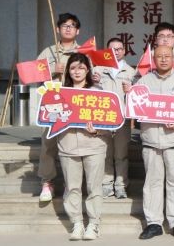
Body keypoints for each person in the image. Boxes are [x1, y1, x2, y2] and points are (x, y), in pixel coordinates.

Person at [137, 46, 174, 241]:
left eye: (167, 56)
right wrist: (130, 95)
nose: (163, 59)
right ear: (153, 59)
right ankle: (153, 223)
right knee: (152, 183)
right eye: (159, 56)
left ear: (173, 58)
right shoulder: (143, 82)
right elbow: (135, 109)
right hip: (151, 140)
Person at [58, 52, 109, 241]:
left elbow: (110, 121)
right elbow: (49, 117)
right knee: (72, 187)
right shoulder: (60, 93)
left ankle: (93, 224)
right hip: (67, 145)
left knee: (94, 187)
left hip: (94, 145)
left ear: (88, 70)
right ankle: (77, 223)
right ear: (68, 71)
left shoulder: (98, 91)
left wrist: (97, 130)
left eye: (81, 67)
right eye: (73, 68)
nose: (77, 71)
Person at [36, 12, 83, 203]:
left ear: (78, 31)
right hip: (53, 106)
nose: (68, 28)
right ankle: (47, 182)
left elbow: (91, 75)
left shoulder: (83, 52)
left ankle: (71, 185)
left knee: (74, 144)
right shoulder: (48, 52)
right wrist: (51, 70)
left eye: (72, 25)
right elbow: (33, 74)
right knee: (49, 144)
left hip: (75, 105)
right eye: (64, 25)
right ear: (57, 29)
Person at [98, 37, 135, 199]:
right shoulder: (98, 70)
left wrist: (131, 90)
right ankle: (106, 184)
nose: (116, 52)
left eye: (119, 49)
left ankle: (121, 185)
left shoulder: (131, 72)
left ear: (124, 51)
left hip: (122, 119)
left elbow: (138, 95)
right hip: (103, 119)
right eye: (113, 49)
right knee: (105, 153)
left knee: (121, 154)